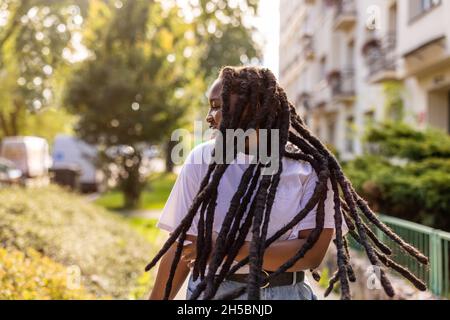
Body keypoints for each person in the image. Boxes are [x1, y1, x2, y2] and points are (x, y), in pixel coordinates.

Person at [147, 66, 428, 300]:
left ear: (253, 107)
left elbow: (311, 254)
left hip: (287, 293)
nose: (209, 117)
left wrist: (224, 248)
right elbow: (180, 246)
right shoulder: (201, 160)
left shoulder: (311, 169)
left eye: (217, 107)